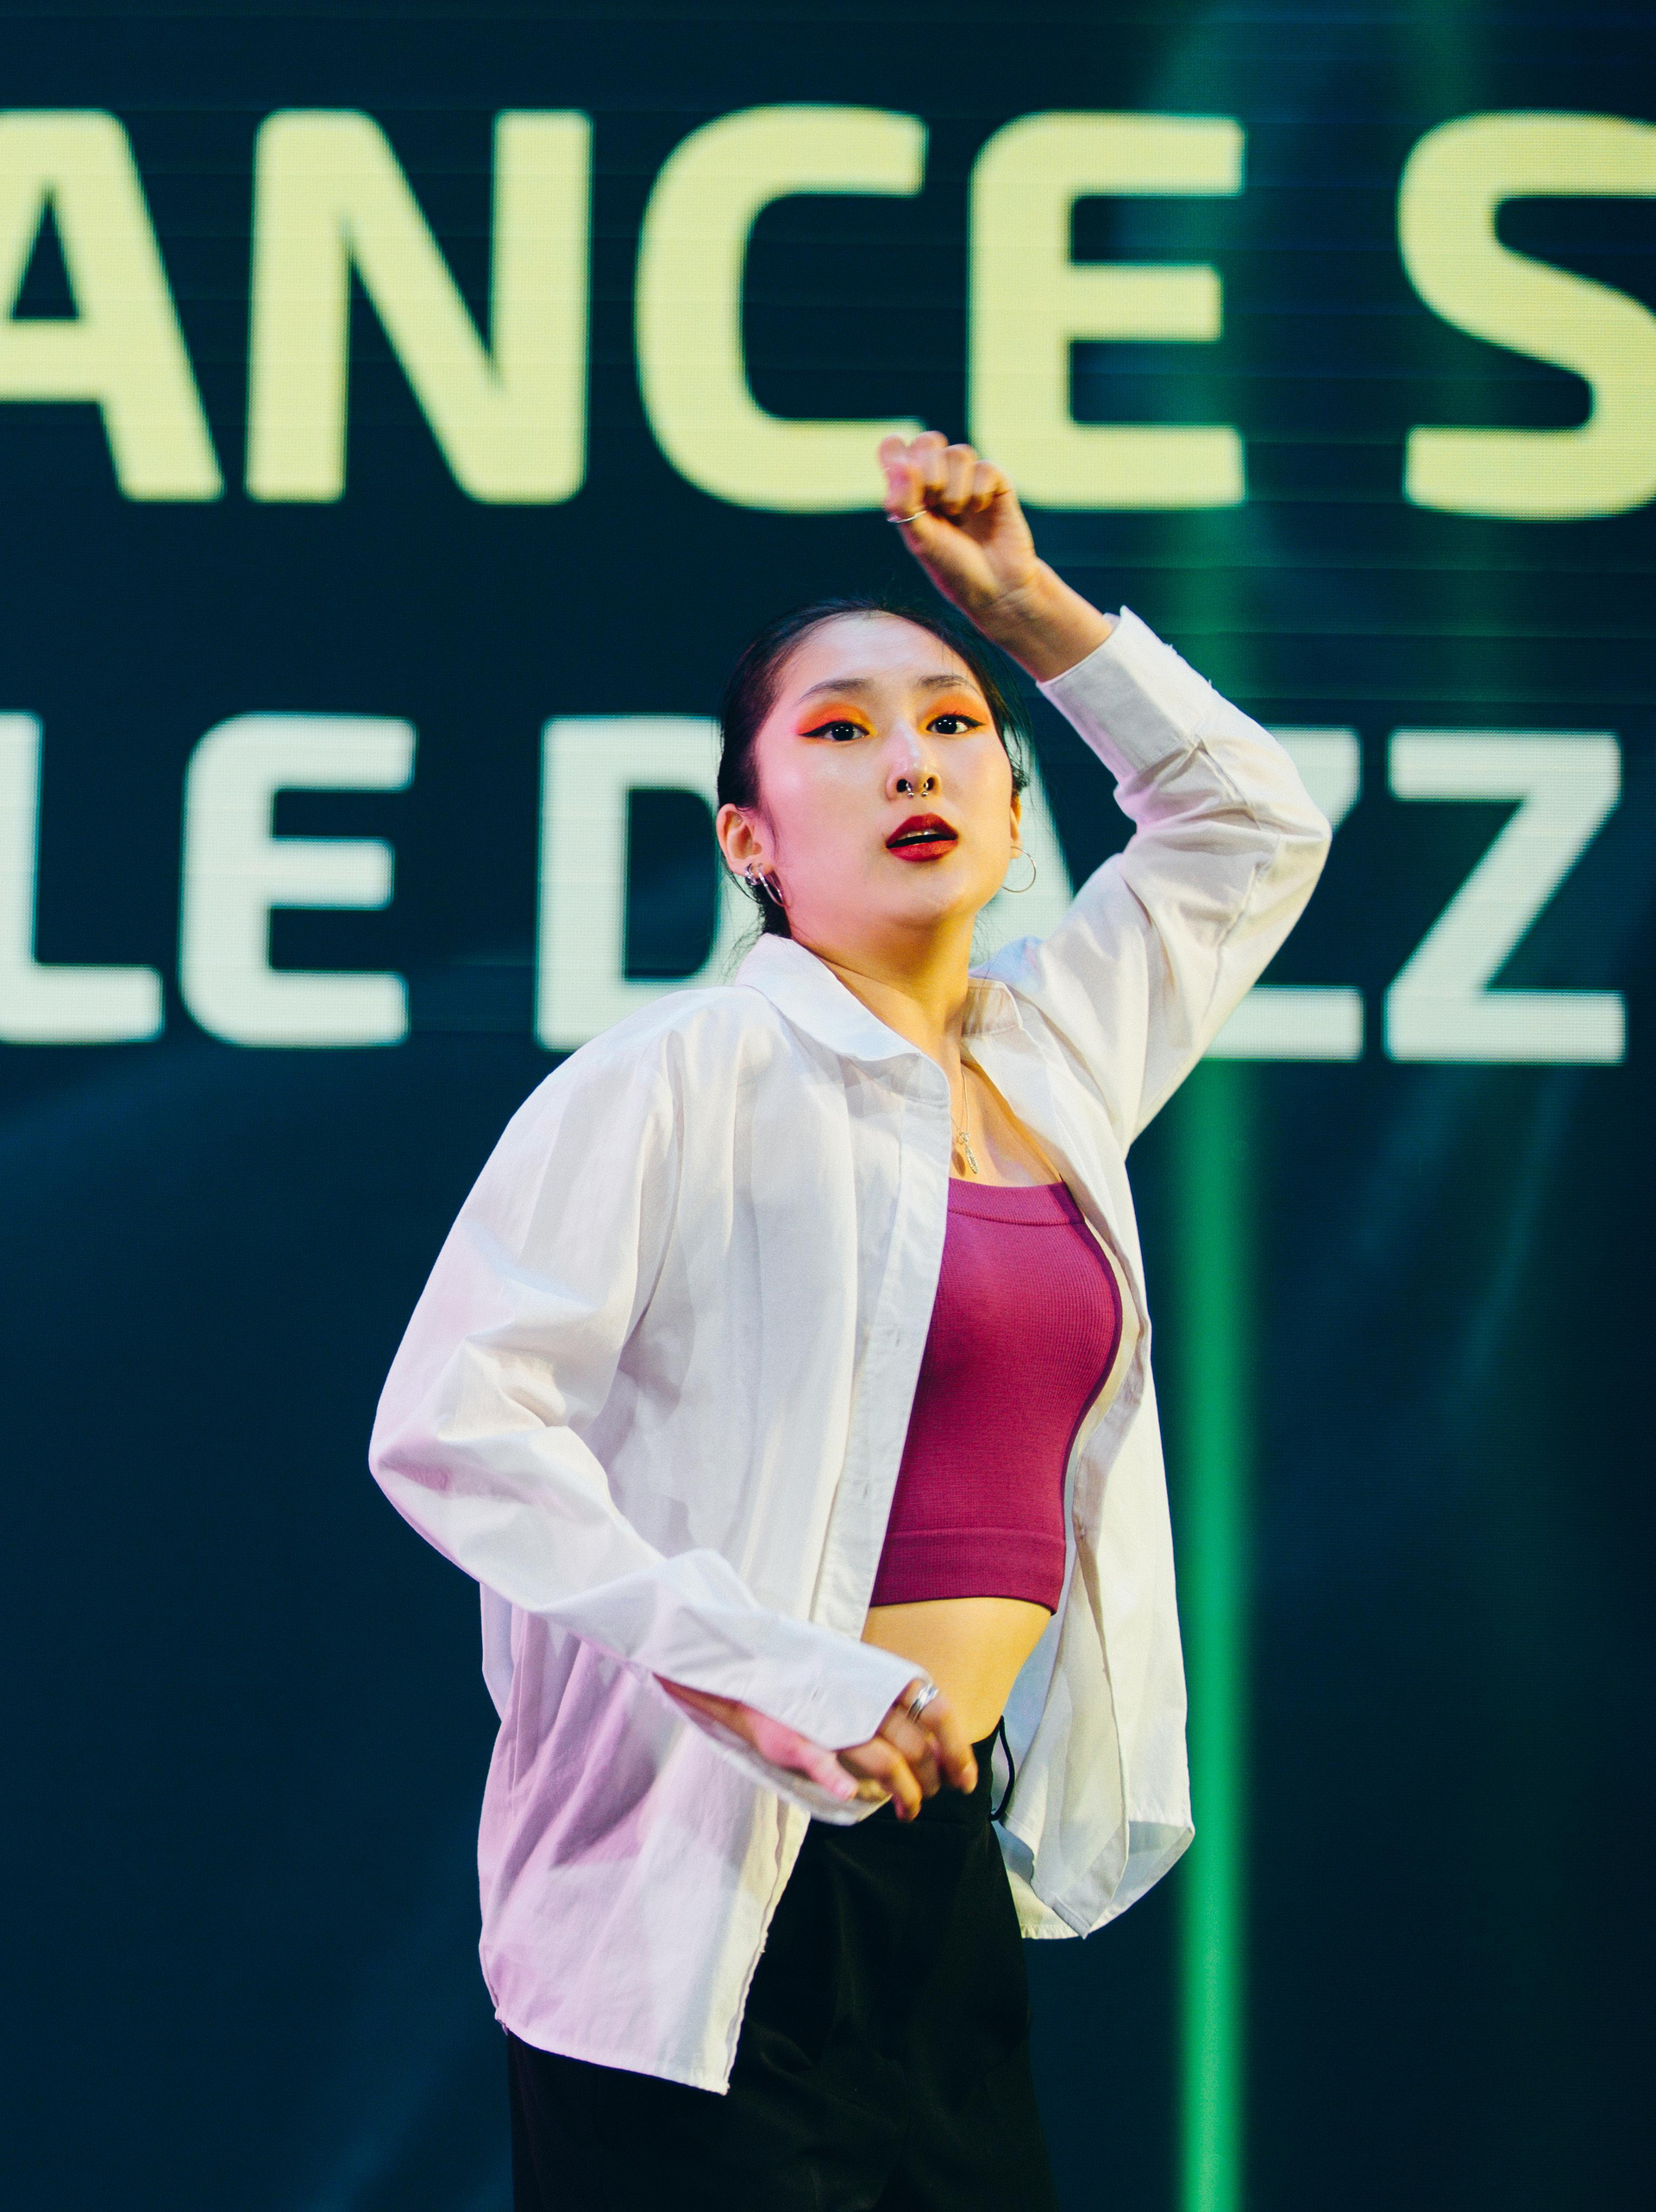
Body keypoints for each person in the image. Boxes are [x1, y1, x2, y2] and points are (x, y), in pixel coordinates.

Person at [368, 432, 1331, 2209]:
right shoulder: (675, 1075)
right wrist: (767, 1669)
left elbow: (1252, 828)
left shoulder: (1059, 1058)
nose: (910, 757)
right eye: (839, 730)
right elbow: (455, 1427)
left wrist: (1028, 610)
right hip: (694, 1891)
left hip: (933, 1867)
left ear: (1016, 815)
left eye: (954, 724)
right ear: (748, 838)